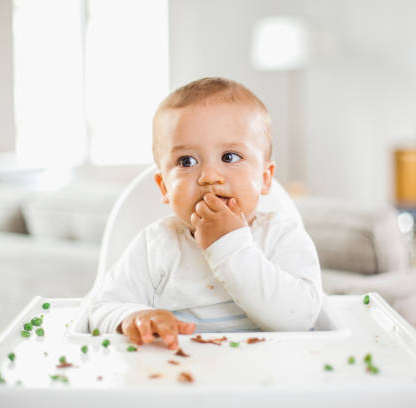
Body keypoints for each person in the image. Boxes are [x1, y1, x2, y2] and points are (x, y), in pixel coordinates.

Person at [89, 77, 322, 350]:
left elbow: (301, 318)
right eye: (186, 161)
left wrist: (229, 245)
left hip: (267, 379)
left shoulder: (280, 235)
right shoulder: (156, 245)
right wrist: (134, 317)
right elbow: (101, 309)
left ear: (265, 177)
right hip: (176, 375)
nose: (209, 177)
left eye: (230, 157)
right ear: (164, 186)